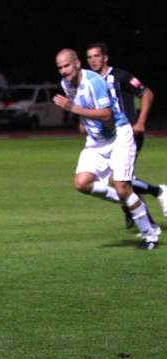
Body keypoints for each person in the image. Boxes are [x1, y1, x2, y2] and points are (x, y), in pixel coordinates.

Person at [53, 49, 158, 250]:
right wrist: (80, 119)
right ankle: (127, 201)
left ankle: (150, 236)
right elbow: (75, 101)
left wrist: (73, 110)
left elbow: (107, 114)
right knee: (82, 183)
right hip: (97, 141)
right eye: (60, 68)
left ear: (77, 63)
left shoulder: (94, 82)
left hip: (119, 135)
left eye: (67, 65)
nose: (64, 71)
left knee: (121, 187)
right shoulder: (66, 83)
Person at [85, 42, 167, 228]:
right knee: (118, 181)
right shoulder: (90, 82)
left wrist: (140, 122)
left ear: (105, 57)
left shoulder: (120, 76)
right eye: (89, 57)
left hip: (129, 133)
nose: (93, 60)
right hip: (109, 138)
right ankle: (145, 209)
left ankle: (154, 201)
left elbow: (147, 93)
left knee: (118, 180)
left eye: (96, 56)